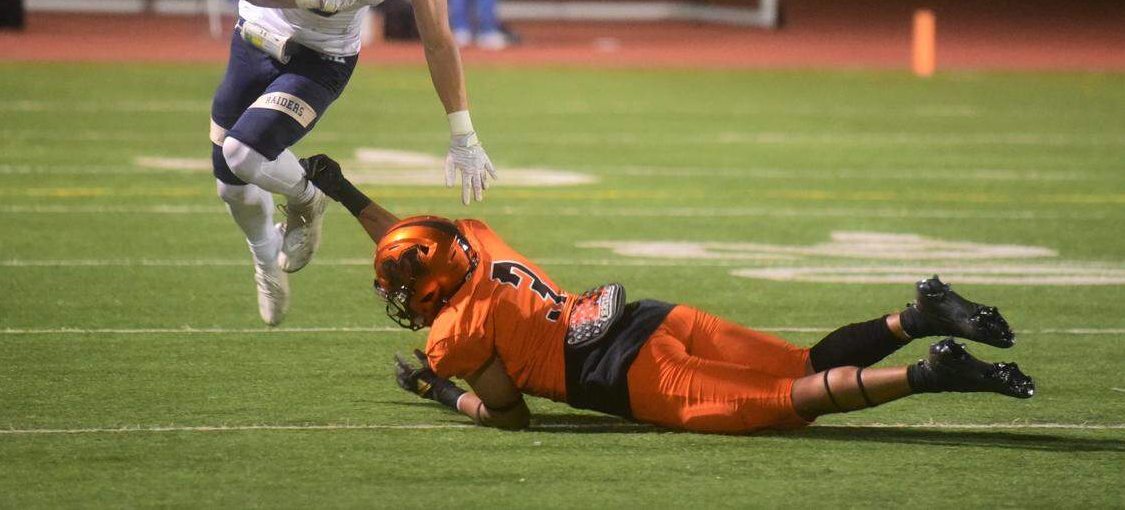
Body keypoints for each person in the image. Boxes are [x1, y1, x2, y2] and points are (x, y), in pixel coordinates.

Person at [301, 153, 1035, 434]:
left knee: (789, 403)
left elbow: (510, 414)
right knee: (797, 358)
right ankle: (917, 313)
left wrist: (437, 391)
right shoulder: (476, 239)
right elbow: (416, 237)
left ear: (424, 290)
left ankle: (928, 372)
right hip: (641, 315)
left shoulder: (450, 333)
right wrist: (346, 193)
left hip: (624, 374)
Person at [211, 0, 497, 327]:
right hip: (258, 34)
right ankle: (262, 254)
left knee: (245, 154)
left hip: (324, 56)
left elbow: (438, 40)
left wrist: (463, 132)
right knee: (230, 183)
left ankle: (309, 197)